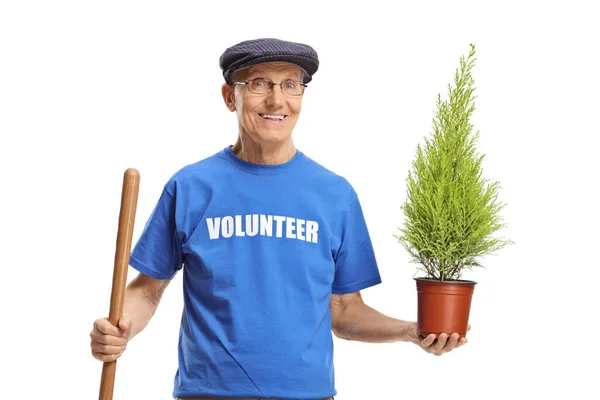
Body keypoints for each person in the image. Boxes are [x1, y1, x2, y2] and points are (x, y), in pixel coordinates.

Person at [90, 38, 469, 400]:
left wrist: (410, 331)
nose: (277, 100)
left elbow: (344, 310)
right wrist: (120, 327)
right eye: (259, 83)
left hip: (310, 396)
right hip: (208, 394)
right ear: (229, 96)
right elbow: (147, 290)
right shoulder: (191, 186)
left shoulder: (334, 194)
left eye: (291, 84)